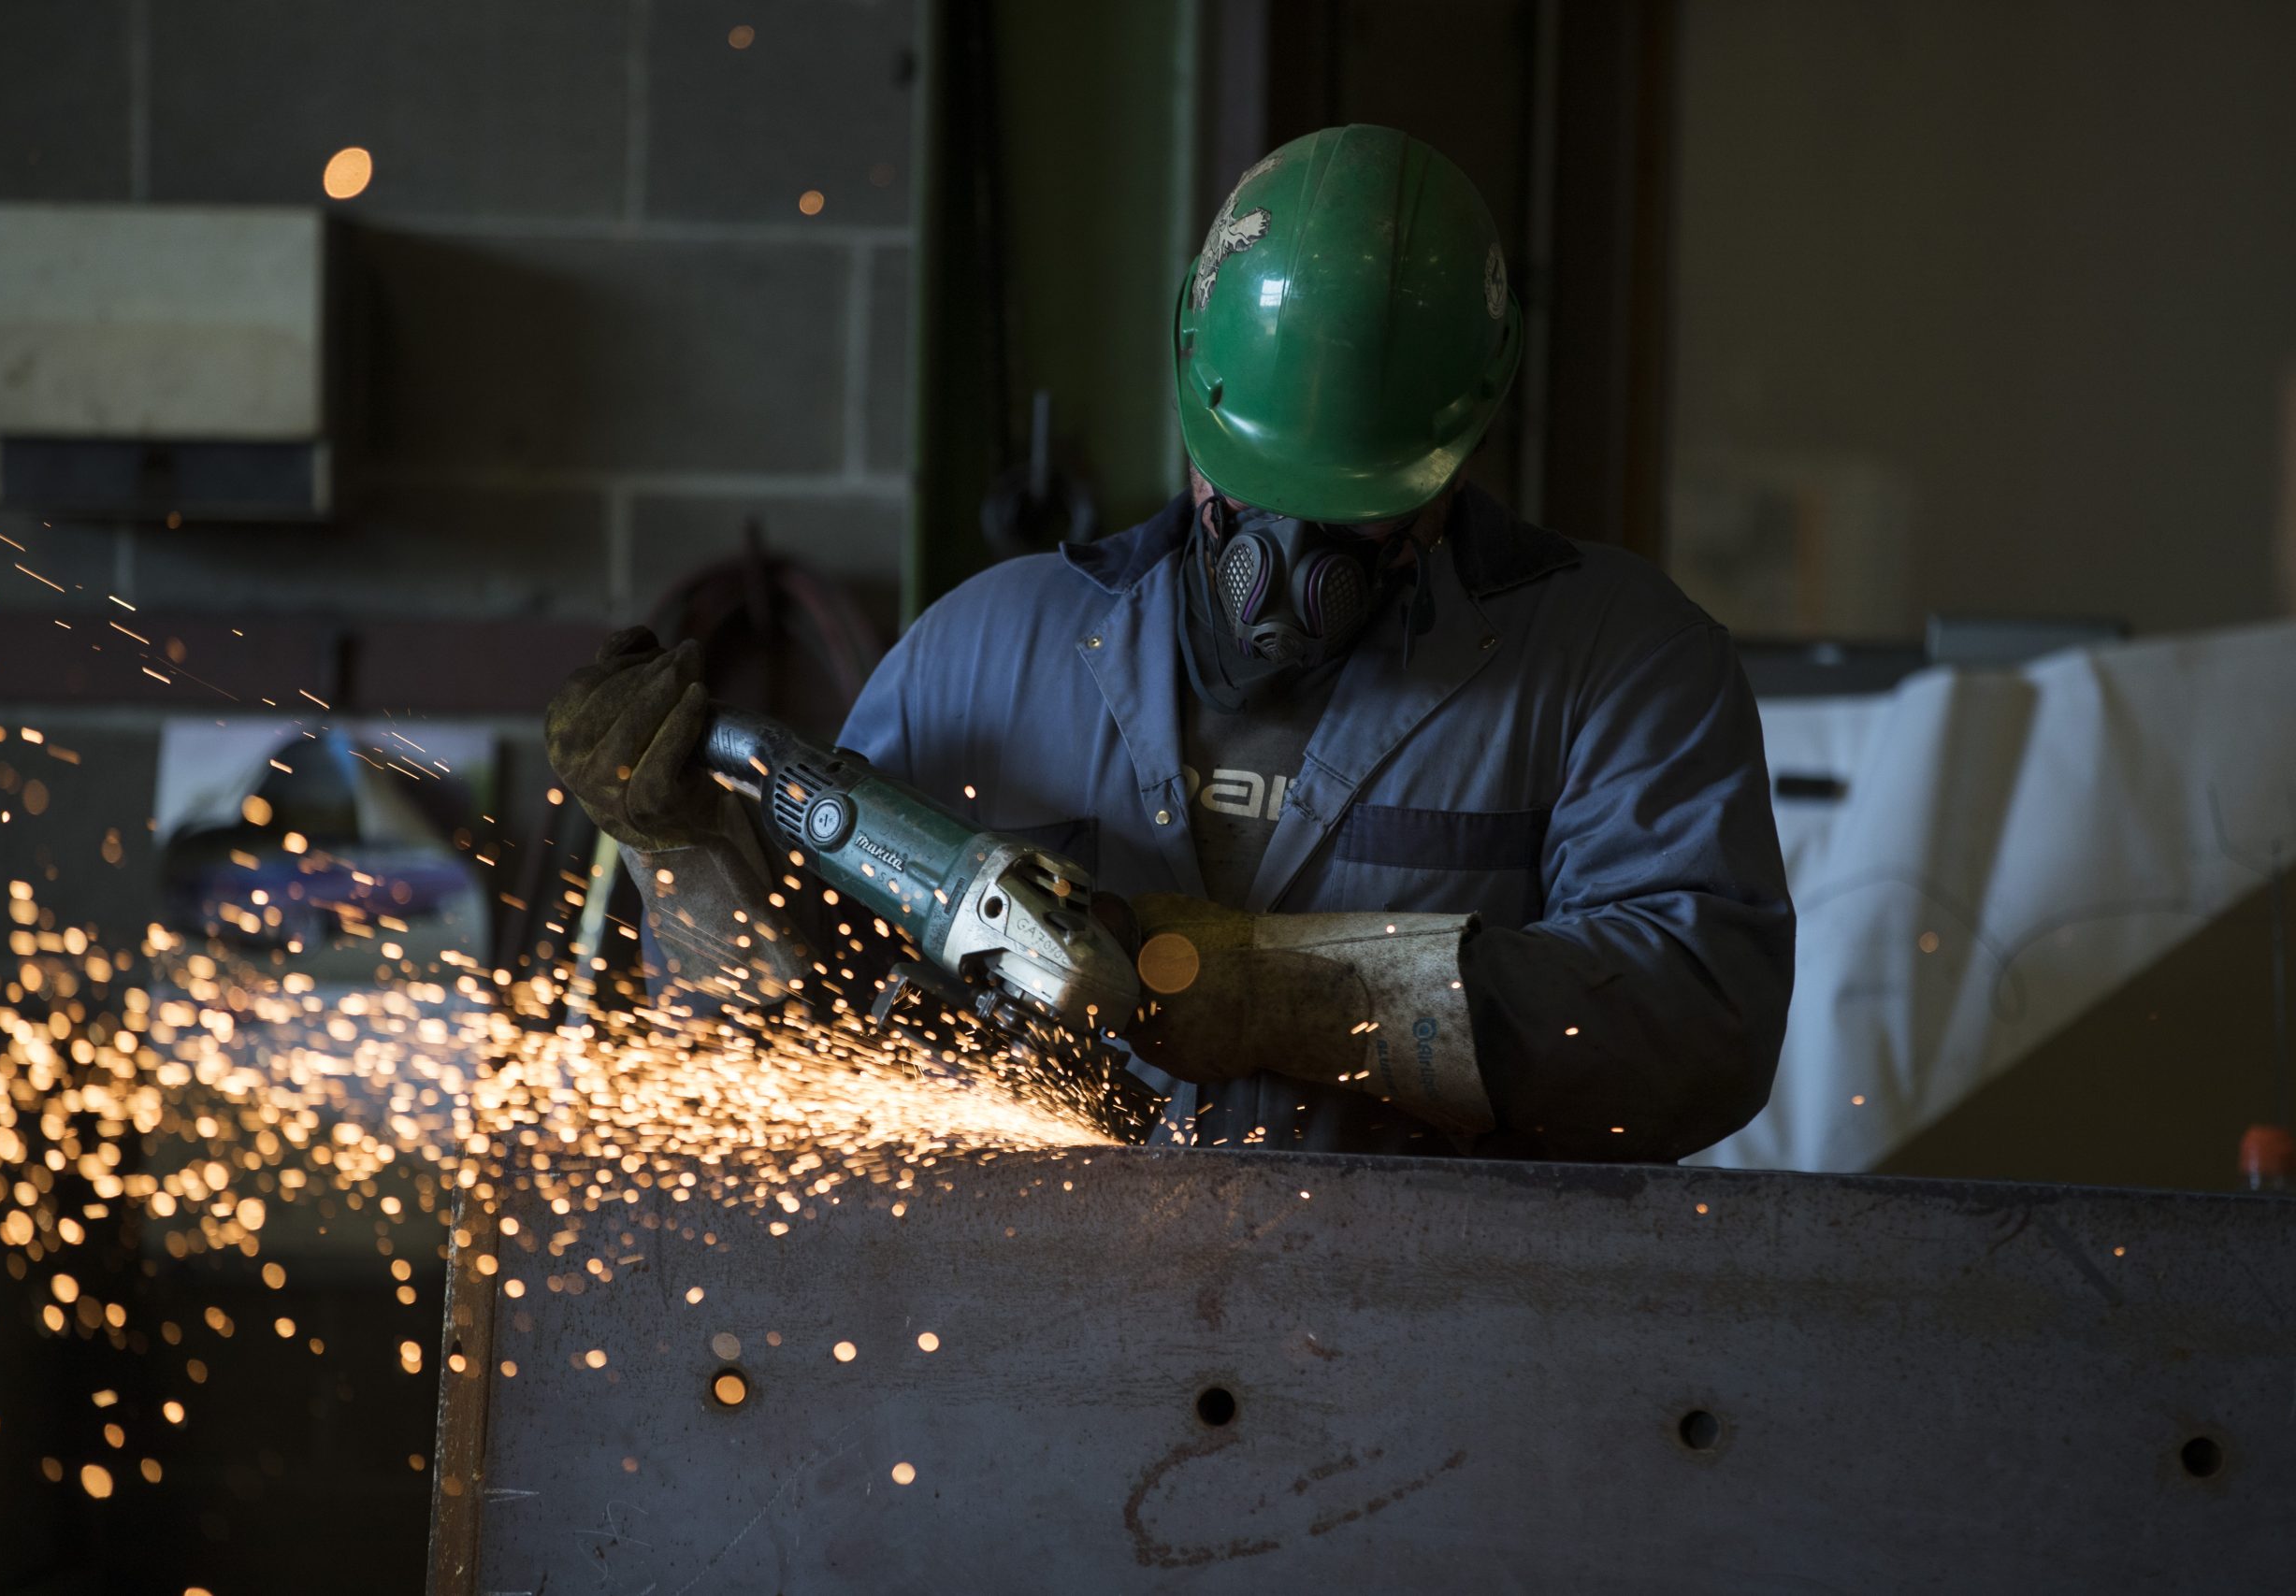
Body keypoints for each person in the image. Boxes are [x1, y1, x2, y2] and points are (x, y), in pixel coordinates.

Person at [546, 125, 1794, 1162]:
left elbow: (1701, 1029)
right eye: (1248, 483)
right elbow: (780, 1059)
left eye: (1351, 510)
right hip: (1032, 1331)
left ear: (1463, 440)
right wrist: (690, 860)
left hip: (1427, 1343)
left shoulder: (1617, 666)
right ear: (1191, 389)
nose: (1284, 558)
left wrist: (1261, 987)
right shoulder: (985, 651)